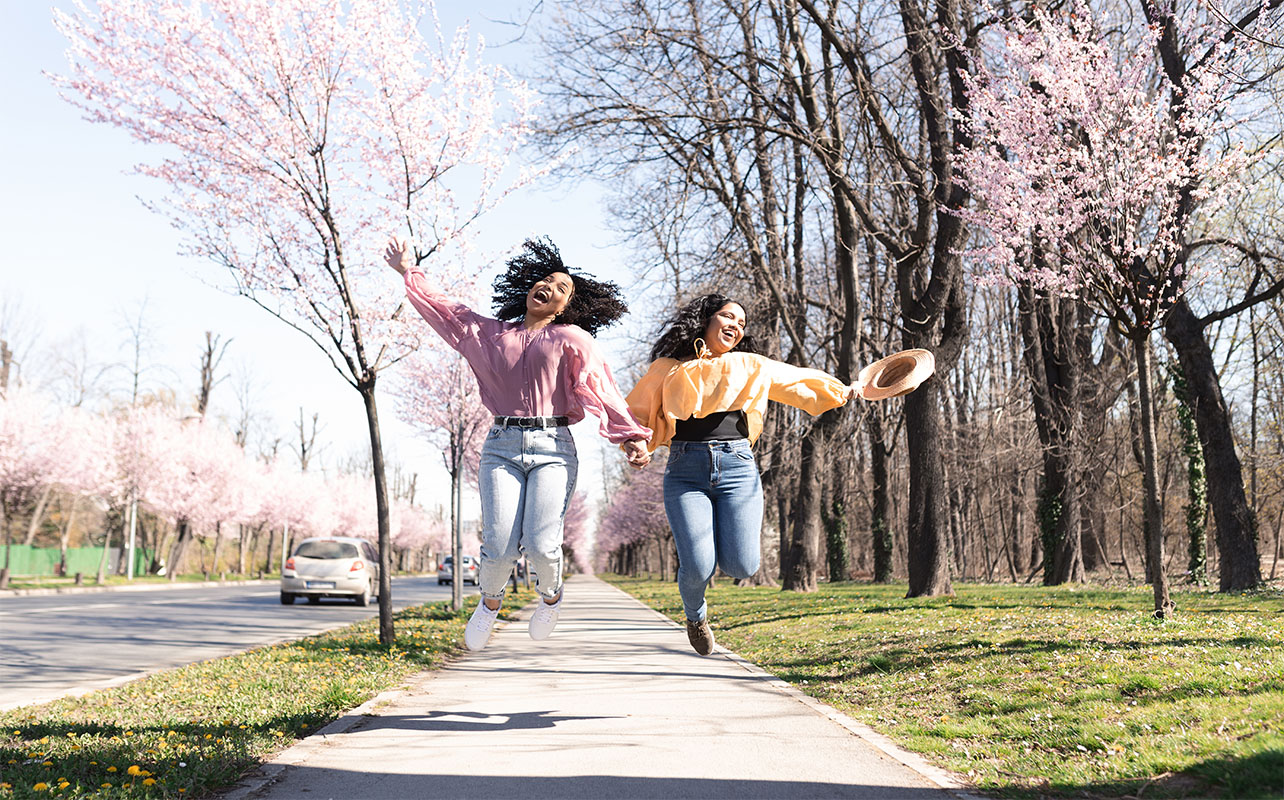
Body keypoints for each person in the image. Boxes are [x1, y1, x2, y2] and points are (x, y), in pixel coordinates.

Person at [386, 236, 651, 650]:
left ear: (566, 306)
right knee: (498, 544)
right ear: (530, 287)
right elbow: (445, 311)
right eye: (545, 280)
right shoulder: (489, 334)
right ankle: (490, 604)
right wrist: (409, 271)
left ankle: (551, 597)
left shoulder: (573, 339)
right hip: (501, 446)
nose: (550, 287)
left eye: (562, 288)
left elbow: (602, 387)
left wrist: (630, 435)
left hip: (554, 447)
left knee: (543, 545)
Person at [625, 294, 862, 655]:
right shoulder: (668, 368)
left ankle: (713, 559)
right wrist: (635, 446)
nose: (736, 325)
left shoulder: (750, 365)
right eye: (728, 316)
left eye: (742, 322)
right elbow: (635, 416)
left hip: (737, 468)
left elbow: (797, 382)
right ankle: (695, 615)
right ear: (706, 319)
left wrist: (842, 391)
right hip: (685, 471)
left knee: (743, 564)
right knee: (699, 566)